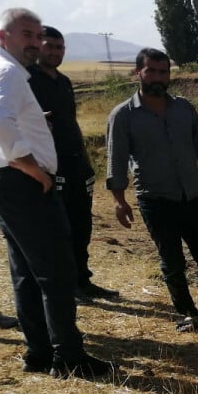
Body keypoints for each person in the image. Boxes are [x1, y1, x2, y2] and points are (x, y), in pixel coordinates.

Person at [0, 8, 114, 377]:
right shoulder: (10, 73)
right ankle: (69, 357)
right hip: (23, 181)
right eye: (26, 35)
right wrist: (30, 165)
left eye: (37, 35)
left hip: (10, 181)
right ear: (4, 37)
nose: (34, 42)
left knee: (26, 272)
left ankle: (39, 353)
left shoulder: (8, 71)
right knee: (57, 272)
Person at [106, 47, 198, 333]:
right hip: (155, 201)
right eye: (151, 70)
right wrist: (119, 200)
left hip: (192, 197)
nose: (157, 77)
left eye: (163, 71)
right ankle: (189, 314)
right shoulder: (124, 116)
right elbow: (115, 161)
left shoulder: (183, 108)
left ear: (169, 75)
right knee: (173, 262)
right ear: (138, 73)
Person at [28, 25, 119, 301]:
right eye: (49, 46)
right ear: (38, 47)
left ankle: (82, 280)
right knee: (60, 229)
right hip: (49, 167)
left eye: (59, 47)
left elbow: (71, 123)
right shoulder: (28, 81)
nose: (55, 52)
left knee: (82, 225)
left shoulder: (64, 82)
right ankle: (65, 287)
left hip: (76, 164)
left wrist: (86, 160)